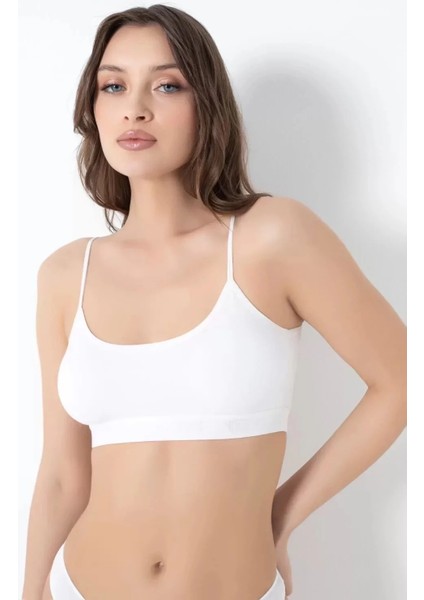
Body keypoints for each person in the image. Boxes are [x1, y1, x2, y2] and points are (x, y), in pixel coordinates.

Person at [22, 5, 407, 600]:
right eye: (113, 85)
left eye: (167, 85)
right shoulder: (65, 274)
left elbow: (403, 381)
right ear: (92, 108)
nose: (135, 108)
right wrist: (30, 589)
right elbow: (61, 475)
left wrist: (279, 517)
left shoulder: (272, 237)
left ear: (208, 104)